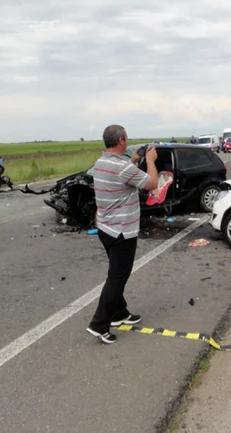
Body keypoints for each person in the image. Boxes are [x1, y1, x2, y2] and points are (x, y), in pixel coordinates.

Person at [86, 125, 159, 344]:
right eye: (126, 138)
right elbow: (152, 183)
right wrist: (151, 161)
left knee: (117, 273)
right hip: (121, 232)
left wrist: (134, 160)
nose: (127, 141)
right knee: (117, 277)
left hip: (106, 228)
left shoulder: (102, 162)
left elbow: (121, 174)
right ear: (120, 141)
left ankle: (119, 313)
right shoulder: (121, 167)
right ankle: (99, 324)